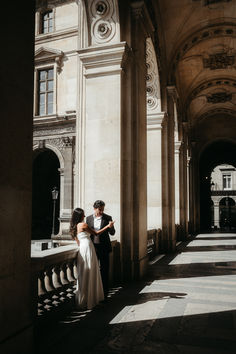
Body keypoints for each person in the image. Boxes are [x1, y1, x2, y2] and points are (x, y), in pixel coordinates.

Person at [70, 207, 115, 310]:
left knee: (83, 273)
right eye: (83, 215)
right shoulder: (83, 224)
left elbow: (78, 242)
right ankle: (92, 298)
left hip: (82, 249)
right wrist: (108, 226)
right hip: (89, 249)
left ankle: (83, 299)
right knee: (92, 272)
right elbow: (96, 233)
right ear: (80, 216)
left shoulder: (74, 227)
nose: (85, 216)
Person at [86, 200, 115, 299]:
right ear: (94, 208)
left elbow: (112, 233)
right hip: (93, 248)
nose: (101, 211)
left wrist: (110, 227)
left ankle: (104, 293)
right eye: (100, 209)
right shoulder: (88, 219)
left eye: (103, 209)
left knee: (104, 270)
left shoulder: (108, 218)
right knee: (93, 270)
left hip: (104, 248)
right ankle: (94, 293)